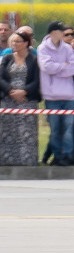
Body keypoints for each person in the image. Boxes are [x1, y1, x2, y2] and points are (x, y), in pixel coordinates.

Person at [38, 22, 74, 166]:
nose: (64, 34)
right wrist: (62, 66)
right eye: (61, 31)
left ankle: (68, 156)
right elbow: (46, 67)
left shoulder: (68, 49)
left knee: (68, 130)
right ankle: (57, 156)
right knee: (55, 129)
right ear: (53, 32)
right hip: (52, 96)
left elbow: (73, 68)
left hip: (69, 95)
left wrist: (59, 67)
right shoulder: (42, 48)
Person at [0, 29, 40, 165]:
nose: (14, 44)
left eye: (18, 41)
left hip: (26, 100)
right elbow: (1, 78)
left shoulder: (33, 60)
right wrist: (11, 91)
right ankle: (7, 160)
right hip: (8, 99)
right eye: (13, 41)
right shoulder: (7, 58)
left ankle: (26, 161)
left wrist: (24, 92)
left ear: (26, 43)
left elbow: (36, 80)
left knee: (25, 132)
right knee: (8, 131)